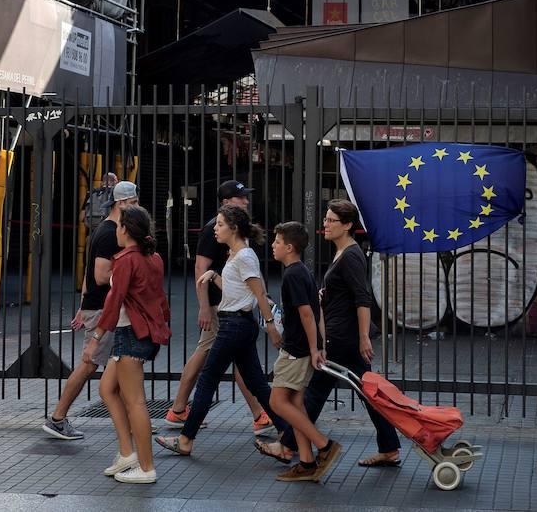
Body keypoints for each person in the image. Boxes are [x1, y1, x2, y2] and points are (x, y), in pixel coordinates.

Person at [255, 199, 402, 468]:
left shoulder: (351, 256)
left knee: (314, 392)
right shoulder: (342, 253)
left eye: (331, 220)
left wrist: (363, 337)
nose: (325, 225)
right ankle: (389, 447)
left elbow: (362, 297)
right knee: (365, 392)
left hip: (343, 337)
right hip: (342, 334)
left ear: (347, 225)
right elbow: (346, 294)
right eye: (325, 219)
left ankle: (289, 445)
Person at [154, 204, 286, 457]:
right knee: (258, 384)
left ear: (234, 228)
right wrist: (214, 276)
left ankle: (185, 440)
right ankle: (286, 435)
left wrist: (270, 326)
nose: (215, 229)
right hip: (237, 323)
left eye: (220, 224)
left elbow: (258, 292)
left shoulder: (245, 256)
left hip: (234, 326)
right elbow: (238, 290)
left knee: (207, 380)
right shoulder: (235, 254)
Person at [165, 180, 273, 436]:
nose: (246, 201)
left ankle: (258, 414)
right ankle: (180, 410)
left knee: (231, 359)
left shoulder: (235, 231)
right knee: (212, 357)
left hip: (228, 303)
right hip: (220, 305)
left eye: (246, 197)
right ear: (226, 202)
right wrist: (204, 306)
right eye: (240, 198)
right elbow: (200, 268)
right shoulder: (214, 229)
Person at [42, 180, 138, 440]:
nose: (136, 206)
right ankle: (58, 418)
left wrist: (83, 304)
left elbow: (87, 274)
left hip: (97, 307)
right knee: (89, 364)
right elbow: (98, 275)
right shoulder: (109, 233)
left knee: (115, 365)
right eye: (133, 202)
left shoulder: (108, 230)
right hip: (103, 309)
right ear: (121, 203)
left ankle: (132, 421)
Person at [83, 204, 170, 484]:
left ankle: (146, 467)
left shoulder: (125, 259)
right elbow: (158, 299)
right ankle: (127, 454)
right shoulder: (153, 257)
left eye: (119, 225)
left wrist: (94, 340)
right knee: (107, 389)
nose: (115, 230)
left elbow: (113, 301)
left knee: (135, 403)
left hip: (128, 334)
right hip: (141, 333)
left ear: (126, 229)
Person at [268, 221, 342, 483]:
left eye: (277, 242)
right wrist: (320, 345)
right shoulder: (303, 272)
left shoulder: (293, 275)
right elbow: (316, 310)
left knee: (277, 402)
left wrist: (313, 349)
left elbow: (307, 313)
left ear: (289, 247)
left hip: (295, 350)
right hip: (303, 348)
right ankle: (307, 462)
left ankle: (324, 445)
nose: (273, 246)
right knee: (296, 404)